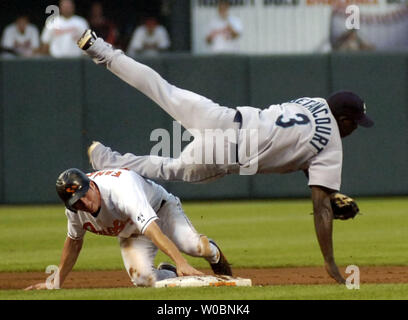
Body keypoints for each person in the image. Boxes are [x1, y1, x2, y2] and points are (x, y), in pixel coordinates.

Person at [77, 29, 375, 284]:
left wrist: (327, 192)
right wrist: (329, 261)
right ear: (345, 120)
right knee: (171, 168)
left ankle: (99, 48)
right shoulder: (333, 144)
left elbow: (298, 146)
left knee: (161, 89)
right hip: (229, 154)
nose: (354, 129)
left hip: (225, 117)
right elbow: (320, 205)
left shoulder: (314, 103)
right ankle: (114, 162)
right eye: (355, 123)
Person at [24, 167, 231, 290]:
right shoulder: (75, 211)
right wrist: (55, 281)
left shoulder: (121, 190)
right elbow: (73, 242)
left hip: (160, 210)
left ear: (93, 186)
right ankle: (171, 272)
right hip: (131, 231)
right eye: (77, 202)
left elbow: (152, 229)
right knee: (143, 279)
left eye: (85, 195)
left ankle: (214, 254)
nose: (84, 204)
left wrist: (181, 261)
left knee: (194, 247)